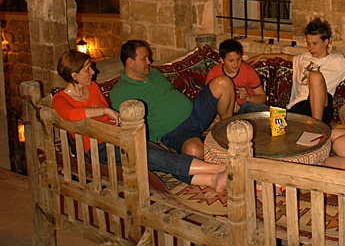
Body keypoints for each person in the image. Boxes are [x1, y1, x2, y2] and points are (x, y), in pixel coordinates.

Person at [53, 49, 228, 192]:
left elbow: (107, 117)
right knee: (154, 157)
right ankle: (217, 168)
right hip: (100, 148)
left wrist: (118, 121)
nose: (93, 72)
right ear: (74, 75)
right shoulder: (60, 99)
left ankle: (212, 181)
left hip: (120, 137)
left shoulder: (92, 87)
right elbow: (70, 115)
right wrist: (105, 110)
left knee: (163, 158)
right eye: (87, 70)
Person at [109, 39, 235, 161]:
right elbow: (128, 129)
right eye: (144, 59)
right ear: (130, 62)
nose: (149, 61)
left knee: (223, 82)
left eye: (148, 57)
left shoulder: (154, 73)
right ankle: (189, 146)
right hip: (176, 132)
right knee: (195, 151)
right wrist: (155, 144)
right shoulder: (120, 93)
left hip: (195, 110)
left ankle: (224, 132)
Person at [248, 17, 345, 124]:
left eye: (315, 43)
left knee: (315, 76)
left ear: (326, 42)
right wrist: (262, 55)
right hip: (300, 106)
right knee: (272, 122)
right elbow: (286, 57)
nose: (311, 48)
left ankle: (316, 126)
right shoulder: (304, 58)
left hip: (322, 108)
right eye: (308, 43)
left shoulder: (337, 61)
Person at [205, 38, 269, 114]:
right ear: (222, 60)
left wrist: (249, 97)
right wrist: (228, 107)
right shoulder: (214, 73)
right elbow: (208, 100)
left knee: (265, 111)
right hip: (223, 108)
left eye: (238, 59)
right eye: (231, 60)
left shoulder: (248, 71)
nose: (236, 64)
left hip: (246, 105)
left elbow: (262, 98)